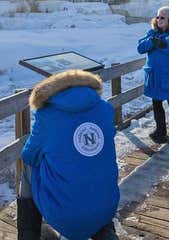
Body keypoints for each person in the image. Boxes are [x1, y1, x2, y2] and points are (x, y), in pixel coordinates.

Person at [19, 69, 120, 240]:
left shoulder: (47, 115)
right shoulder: (104, 108)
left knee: (28, 168)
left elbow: (28, 155)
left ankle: (28, 234)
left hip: (66, 216)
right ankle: (104, 229)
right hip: (107, 206)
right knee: (95, 162)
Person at [137, 6, 169, 145]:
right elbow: (140, 48)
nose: (159, 20)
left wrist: (160, 43)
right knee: (156, 104)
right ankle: (160, 131)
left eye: (162, 17)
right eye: (157, 17)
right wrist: (152, 41)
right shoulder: (152, 32)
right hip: (154, 75)